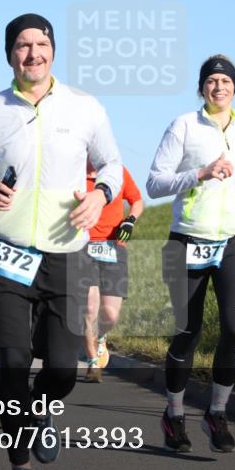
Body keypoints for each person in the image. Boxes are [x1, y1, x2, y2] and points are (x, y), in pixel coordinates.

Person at [0, 13, 121, 470]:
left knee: (64, 370)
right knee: (11, 364)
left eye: (41, 43)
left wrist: (102, 193)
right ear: (9, 55)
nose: (33, 53)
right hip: (5, 257)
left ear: (53, 51)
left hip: (65, 253)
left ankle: (41, 412)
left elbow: (111, 163)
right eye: (22, 45)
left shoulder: (84, 107)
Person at [147, 54, 235, 454]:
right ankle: (174, 414)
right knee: (187, 332)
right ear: (202, 88)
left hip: (234, 240)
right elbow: (154, 182)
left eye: (225, 81)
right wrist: (199, 172)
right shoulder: (183, 125)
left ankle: (217, 412)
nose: (219, 87)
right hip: (188, 240)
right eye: (211, 81)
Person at [82, 161, 143, 383]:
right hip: (82, 247)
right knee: (89, 308)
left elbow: (137, 201)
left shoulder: (117, 171)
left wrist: (130, 220)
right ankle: (92, 362)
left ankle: (101, 339)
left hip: (113, 247)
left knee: (110, 314)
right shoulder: (73, 170)